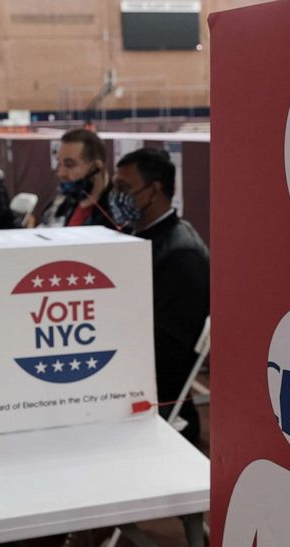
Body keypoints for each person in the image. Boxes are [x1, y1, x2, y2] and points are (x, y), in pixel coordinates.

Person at [111, 147, 209, 444]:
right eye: (115, 188)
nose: (116, 197)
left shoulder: (181, 254)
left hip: (157, 408)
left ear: (154, 190)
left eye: (124, 188)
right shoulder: (133, 235)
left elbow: (168, 354)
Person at [39, 129, 115, 229]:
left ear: (96, 168)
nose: (61, 173)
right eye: (59, 164)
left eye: (69, 165)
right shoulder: (60, 204)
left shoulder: (115, 213)